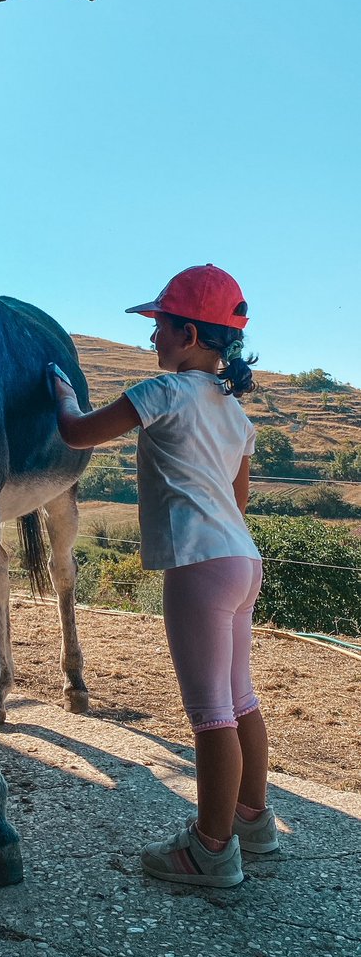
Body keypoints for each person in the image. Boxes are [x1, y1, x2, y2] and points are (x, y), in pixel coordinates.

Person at [47, 264, 278, 888]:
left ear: (190, 333)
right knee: (241, 698)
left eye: (161, 327)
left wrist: (64, 392)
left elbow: (76, 433)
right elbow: (239, 501)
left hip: (200, 567)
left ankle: (210, 849)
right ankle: (254, 822)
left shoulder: (161, 394)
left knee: (211, 715)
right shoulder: (236, 413)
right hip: (241, 560)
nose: (153, 338)